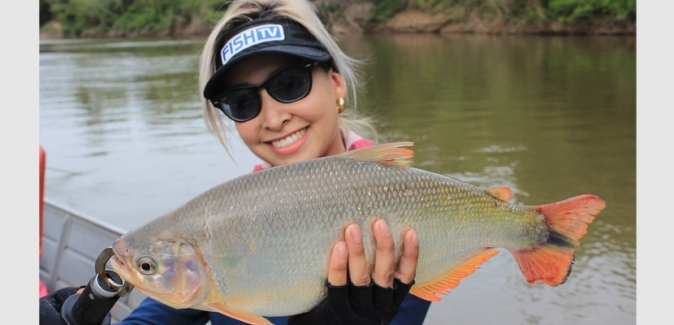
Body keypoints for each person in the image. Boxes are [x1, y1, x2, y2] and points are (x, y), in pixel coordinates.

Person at [39, 0, 432, 324]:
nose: (274, 117)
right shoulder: (220, 224)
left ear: (336, 83)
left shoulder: (407, 207)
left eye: (290, 84)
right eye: (243, 102)